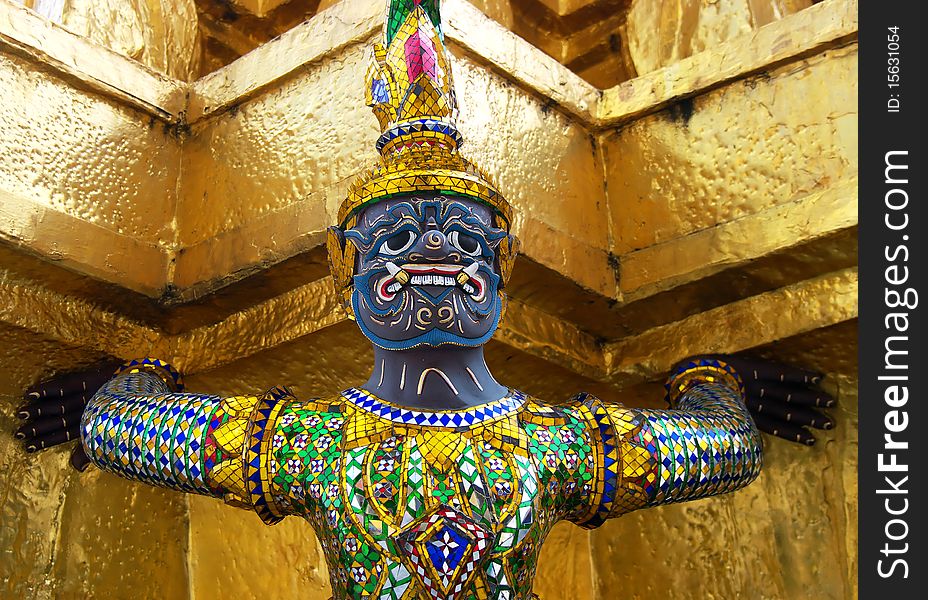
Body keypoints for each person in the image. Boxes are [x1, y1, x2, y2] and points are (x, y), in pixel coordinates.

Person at [16, 1, 835, 598]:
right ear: (345, 265)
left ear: (506, 264)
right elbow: (169, 440)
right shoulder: (317, 447)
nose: (438, 251)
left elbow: (715, 454)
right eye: (400, 241)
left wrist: (719, 393)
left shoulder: (553, 449)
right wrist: (109, 405)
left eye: (466, 240)